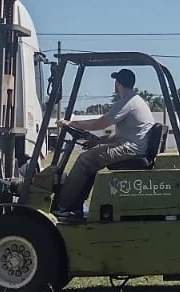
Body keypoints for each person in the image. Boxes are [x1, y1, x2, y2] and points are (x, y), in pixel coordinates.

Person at [52, 68, 155, 221]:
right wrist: (98, 141)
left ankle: (62, 208)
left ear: (118, 83)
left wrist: (70, 123)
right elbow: (117, 135)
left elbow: (99, 124)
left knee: (84, 161)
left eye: (116, 82)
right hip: (132, 147)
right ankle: (75, 207)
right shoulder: (134, 100)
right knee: (90, 161)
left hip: (131, 150)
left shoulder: (128, 102)